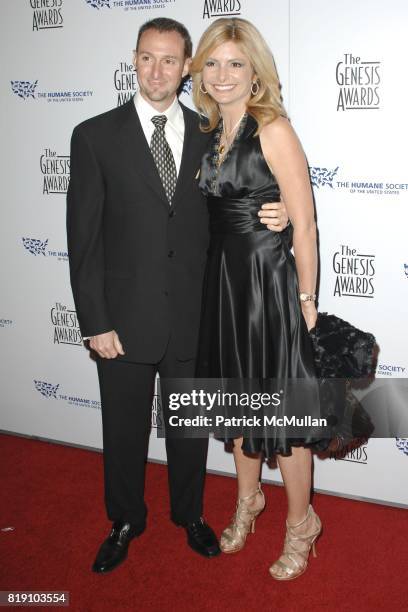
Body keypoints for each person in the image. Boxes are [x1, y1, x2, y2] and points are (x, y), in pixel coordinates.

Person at [66, 17, 288, 574]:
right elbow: (83, 240)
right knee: (121, 428)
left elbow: (236, 208)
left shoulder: (212, 133)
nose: (157, 69)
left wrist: (277, 215)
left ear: (187, 66)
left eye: (170, 59)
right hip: (122, 318)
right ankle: (124, 519)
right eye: (147, 57)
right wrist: (95, 320)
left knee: (188, 429)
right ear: (134, 60)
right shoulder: (93, 135)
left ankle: (189, 513)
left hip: (195, 314)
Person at [191, 17, 327, 580]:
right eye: (213, 63)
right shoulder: (204, 132)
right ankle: (248, 500)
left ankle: (302, 522)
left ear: (255, 73)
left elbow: (307, 223)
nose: (223, 75)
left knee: (284, 413)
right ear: (200, 71)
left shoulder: (271, 129)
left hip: (267, 288)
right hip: (220, 287)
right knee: (238, 408)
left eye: (236, 64)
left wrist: (307, 297)